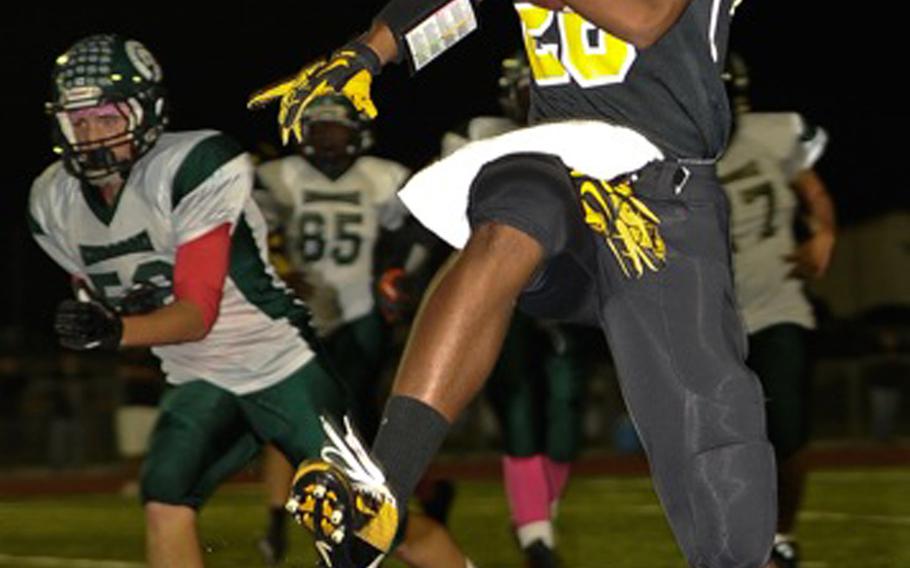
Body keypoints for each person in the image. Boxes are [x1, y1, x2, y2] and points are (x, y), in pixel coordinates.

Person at [250, 0, 777, 567]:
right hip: (562, 159)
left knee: (711, 423)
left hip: (663, 195)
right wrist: (368, 52)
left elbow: (646, 18)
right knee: (511, 216)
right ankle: (382, 491)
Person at [29, 34, 469, 568]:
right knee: (165, 498)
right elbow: (106, 301)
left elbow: (195, 315)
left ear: (147, 113)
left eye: (105, 118)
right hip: (199, 379)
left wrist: (115, 329)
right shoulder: (51, 200)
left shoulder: (193, 166)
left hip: (280, 366)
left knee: (369, 526)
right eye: (79, 121)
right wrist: (100, 320)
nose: (91, 136)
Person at [442, 53, 587, 568]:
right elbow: (449, 213)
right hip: (506, 288)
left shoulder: (587, 132)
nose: (535, 98)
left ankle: (537, 512)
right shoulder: (477, 135)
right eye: (526, 89)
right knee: (519, 404)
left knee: (568, 407)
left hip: (573, 288)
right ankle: (536, 538)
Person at [254, 93, 412, 565]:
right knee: (294, 414)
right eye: (318, 129)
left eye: (335, 129)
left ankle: (367, 505)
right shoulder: (277, 177)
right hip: (299, 312)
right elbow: (251, 232)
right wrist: (278, 267)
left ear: (357, 133)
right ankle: (278, 520)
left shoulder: (383, 177)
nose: (326, 139)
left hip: (360, 310)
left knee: (356, 411)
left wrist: (398, 276)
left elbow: (406, 238)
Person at [718, 54, 835, 568]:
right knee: (723, 438)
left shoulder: (774, 133)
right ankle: (737, 535)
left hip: (777, 305)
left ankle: (780, 534)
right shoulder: (668, 150)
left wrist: (825, 230)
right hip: (709, 317)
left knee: (785, 426)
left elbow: (815, 193)